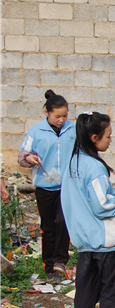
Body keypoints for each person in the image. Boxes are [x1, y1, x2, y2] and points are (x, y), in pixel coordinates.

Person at [61, 112, 115, 308]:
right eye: (108, 136)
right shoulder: (94, 167)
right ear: (94, 137)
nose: (110, 140)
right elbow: (102, 206)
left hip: (84, 241)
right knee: (111, 291)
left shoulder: (72, 163)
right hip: (107, 242)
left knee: (85, 294)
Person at [18, 90, 75, 279]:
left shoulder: (72, 130)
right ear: (47, 113)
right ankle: (49, 265)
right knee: (49, 226)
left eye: (64, 116)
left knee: (63, 221)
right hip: (44, 186)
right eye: (57, 116)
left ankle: (60, 260)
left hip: (67, 185)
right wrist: (30, 157)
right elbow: (23, 155)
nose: (61, 120)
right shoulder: (36, 131)